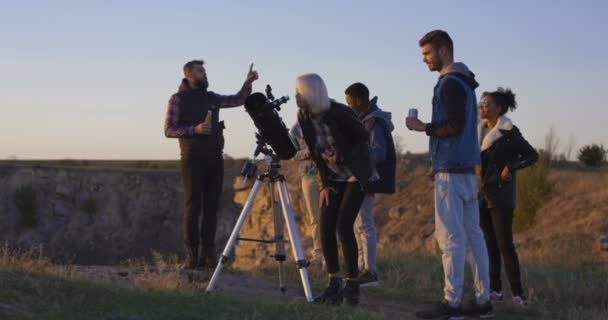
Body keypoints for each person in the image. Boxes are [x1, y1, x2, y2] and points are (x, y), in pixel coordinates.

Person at [406, 30, 493, 319]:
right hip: (466, 169)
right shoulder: (466, 84)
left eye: (427, 54)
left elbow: (453, 126)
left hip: (452, 173)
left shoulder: (449, 84)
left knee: (451, 239)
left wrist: (422, 127)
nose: (424, 60)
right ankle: (483, 301)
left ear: (443, 50)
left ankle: (451, 303)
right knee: (474, 237)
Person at [164, 60, 258, 270]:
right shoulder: (178, 99)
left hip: (215, 158)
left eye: (204, 70)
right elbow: (169, 129)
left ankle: (208, 256)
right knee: (193, 206)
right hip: (192, 158)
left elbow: (237, 100)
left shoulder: (211, 98)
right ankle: (191, 257)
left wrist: (248, 82)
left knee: (211, 208)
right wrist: (194, 130)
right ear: (189, 75)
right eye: (200, 71)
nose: (204, 74)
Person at [295, 73, 376, 306]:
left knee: (343, 225)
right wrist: (324, 184)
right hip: (332, 176)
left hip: (355, 173)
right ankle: (334, 284)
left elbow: (362, 137)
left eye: (299, 92)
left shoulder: (339, 112)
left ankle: (352, 287)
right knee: (326, 226)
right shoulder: (303, 115)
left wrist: (340, 155)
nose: (295, 96)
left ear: (311, 93)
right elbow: (314, 151)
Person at [477, 88, 538, 306]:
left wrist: (511, 166)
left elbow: (532, 155)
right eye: (481, 102)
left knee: (505, 245)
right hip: (481, 195)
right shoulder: (479, 131)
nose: (481, 106)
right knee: (489, 244)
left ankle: (519, 294)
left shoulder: (509, 132)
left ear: (499, 108)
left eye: (486, 103)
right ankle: (495, 290)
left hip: (501, 195)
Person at [344, 83, 397, 287]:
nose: (348, 106)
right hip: (362, 176)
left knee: (365, 225)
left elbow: (379, 153)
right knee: (358, 225)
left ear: (358, 100)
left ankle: (370, 271)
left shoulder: (373, 122)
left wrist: (352, 158)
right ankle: (361, 267)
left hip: (366, 178)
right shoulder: (367, 119)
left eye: (349, 101)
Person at [289, 121, 324, 266]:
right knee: (315, 217)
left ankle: (336, 254)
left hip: (332, 174)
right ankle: (318, 254)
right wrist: (309, 151)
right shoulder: (297, 128)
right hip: (309, 176)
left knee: (335, 216)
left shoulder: (327, 119)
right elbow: (292, 154)